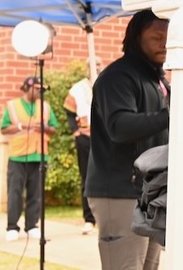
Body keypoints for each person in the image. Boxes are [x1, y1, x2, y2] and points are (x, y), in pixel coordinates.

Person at [86, 9, 170, 270]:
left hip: (150, 192)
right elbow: (120, 127)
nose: (164, 44)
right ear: (136, 38)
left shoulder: (156, 78)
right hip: (121, 192)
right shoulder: (117, 77)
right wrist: (171, 115)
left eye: (169, 38)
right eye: (157, 37)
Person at [1, 75, 59, 242]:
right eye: (36, 89)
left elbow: (54, 128)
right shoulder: (13, 106)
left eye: (41, 90)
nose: (39, 92)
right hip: (18, 156)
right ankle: (12, 227)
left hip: (39, 155)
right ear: (27, 88)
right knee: (15, 193)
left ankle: (32, 226)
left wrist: (45, 127)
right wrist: (21, 126)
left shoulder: (45, 107)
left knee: (36, 194)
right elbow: (4, 129)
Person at [63, 56, 103, 235]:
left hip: (105, 138)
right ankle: (89, 219)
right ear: (87, 67)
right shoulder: (78, 88)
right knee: (86, 177)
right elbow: (69, 111)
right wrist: (75, 131)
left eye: (99, 64)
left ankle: (103, 218)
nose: (97, 67)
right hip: (85, 137)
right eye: (93, 65)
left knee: (105, 176)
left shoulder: (108, 84)